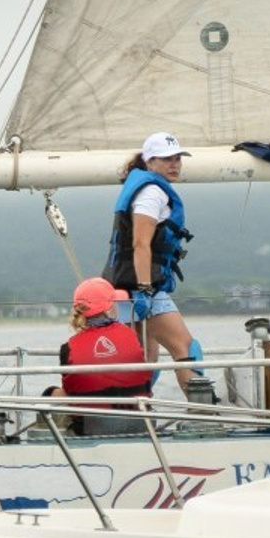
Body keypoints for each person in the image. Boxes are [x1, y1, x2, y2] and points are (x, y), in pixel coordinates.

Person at [102, 131, 197, 396]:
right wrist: (144, 289)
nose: (174, 164)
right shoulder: (152, 193)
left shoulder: (144, 187)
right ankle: (203, 410)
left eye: (178, 158)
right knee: (185, 347)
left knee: (145, 357)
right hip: (142, 289)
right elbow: (140, 244)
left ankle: (136, 411)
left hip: (125, 285)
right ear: (149, 162)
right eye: (166, 159)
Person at [46, 277, 152, 433]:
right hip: (140, 422)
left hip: (90, 428)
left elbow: (71, 390)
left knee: (50, 393)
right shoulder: (131, 335)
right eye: (114, 302)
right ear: (109, 310)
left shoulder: (68, 348)